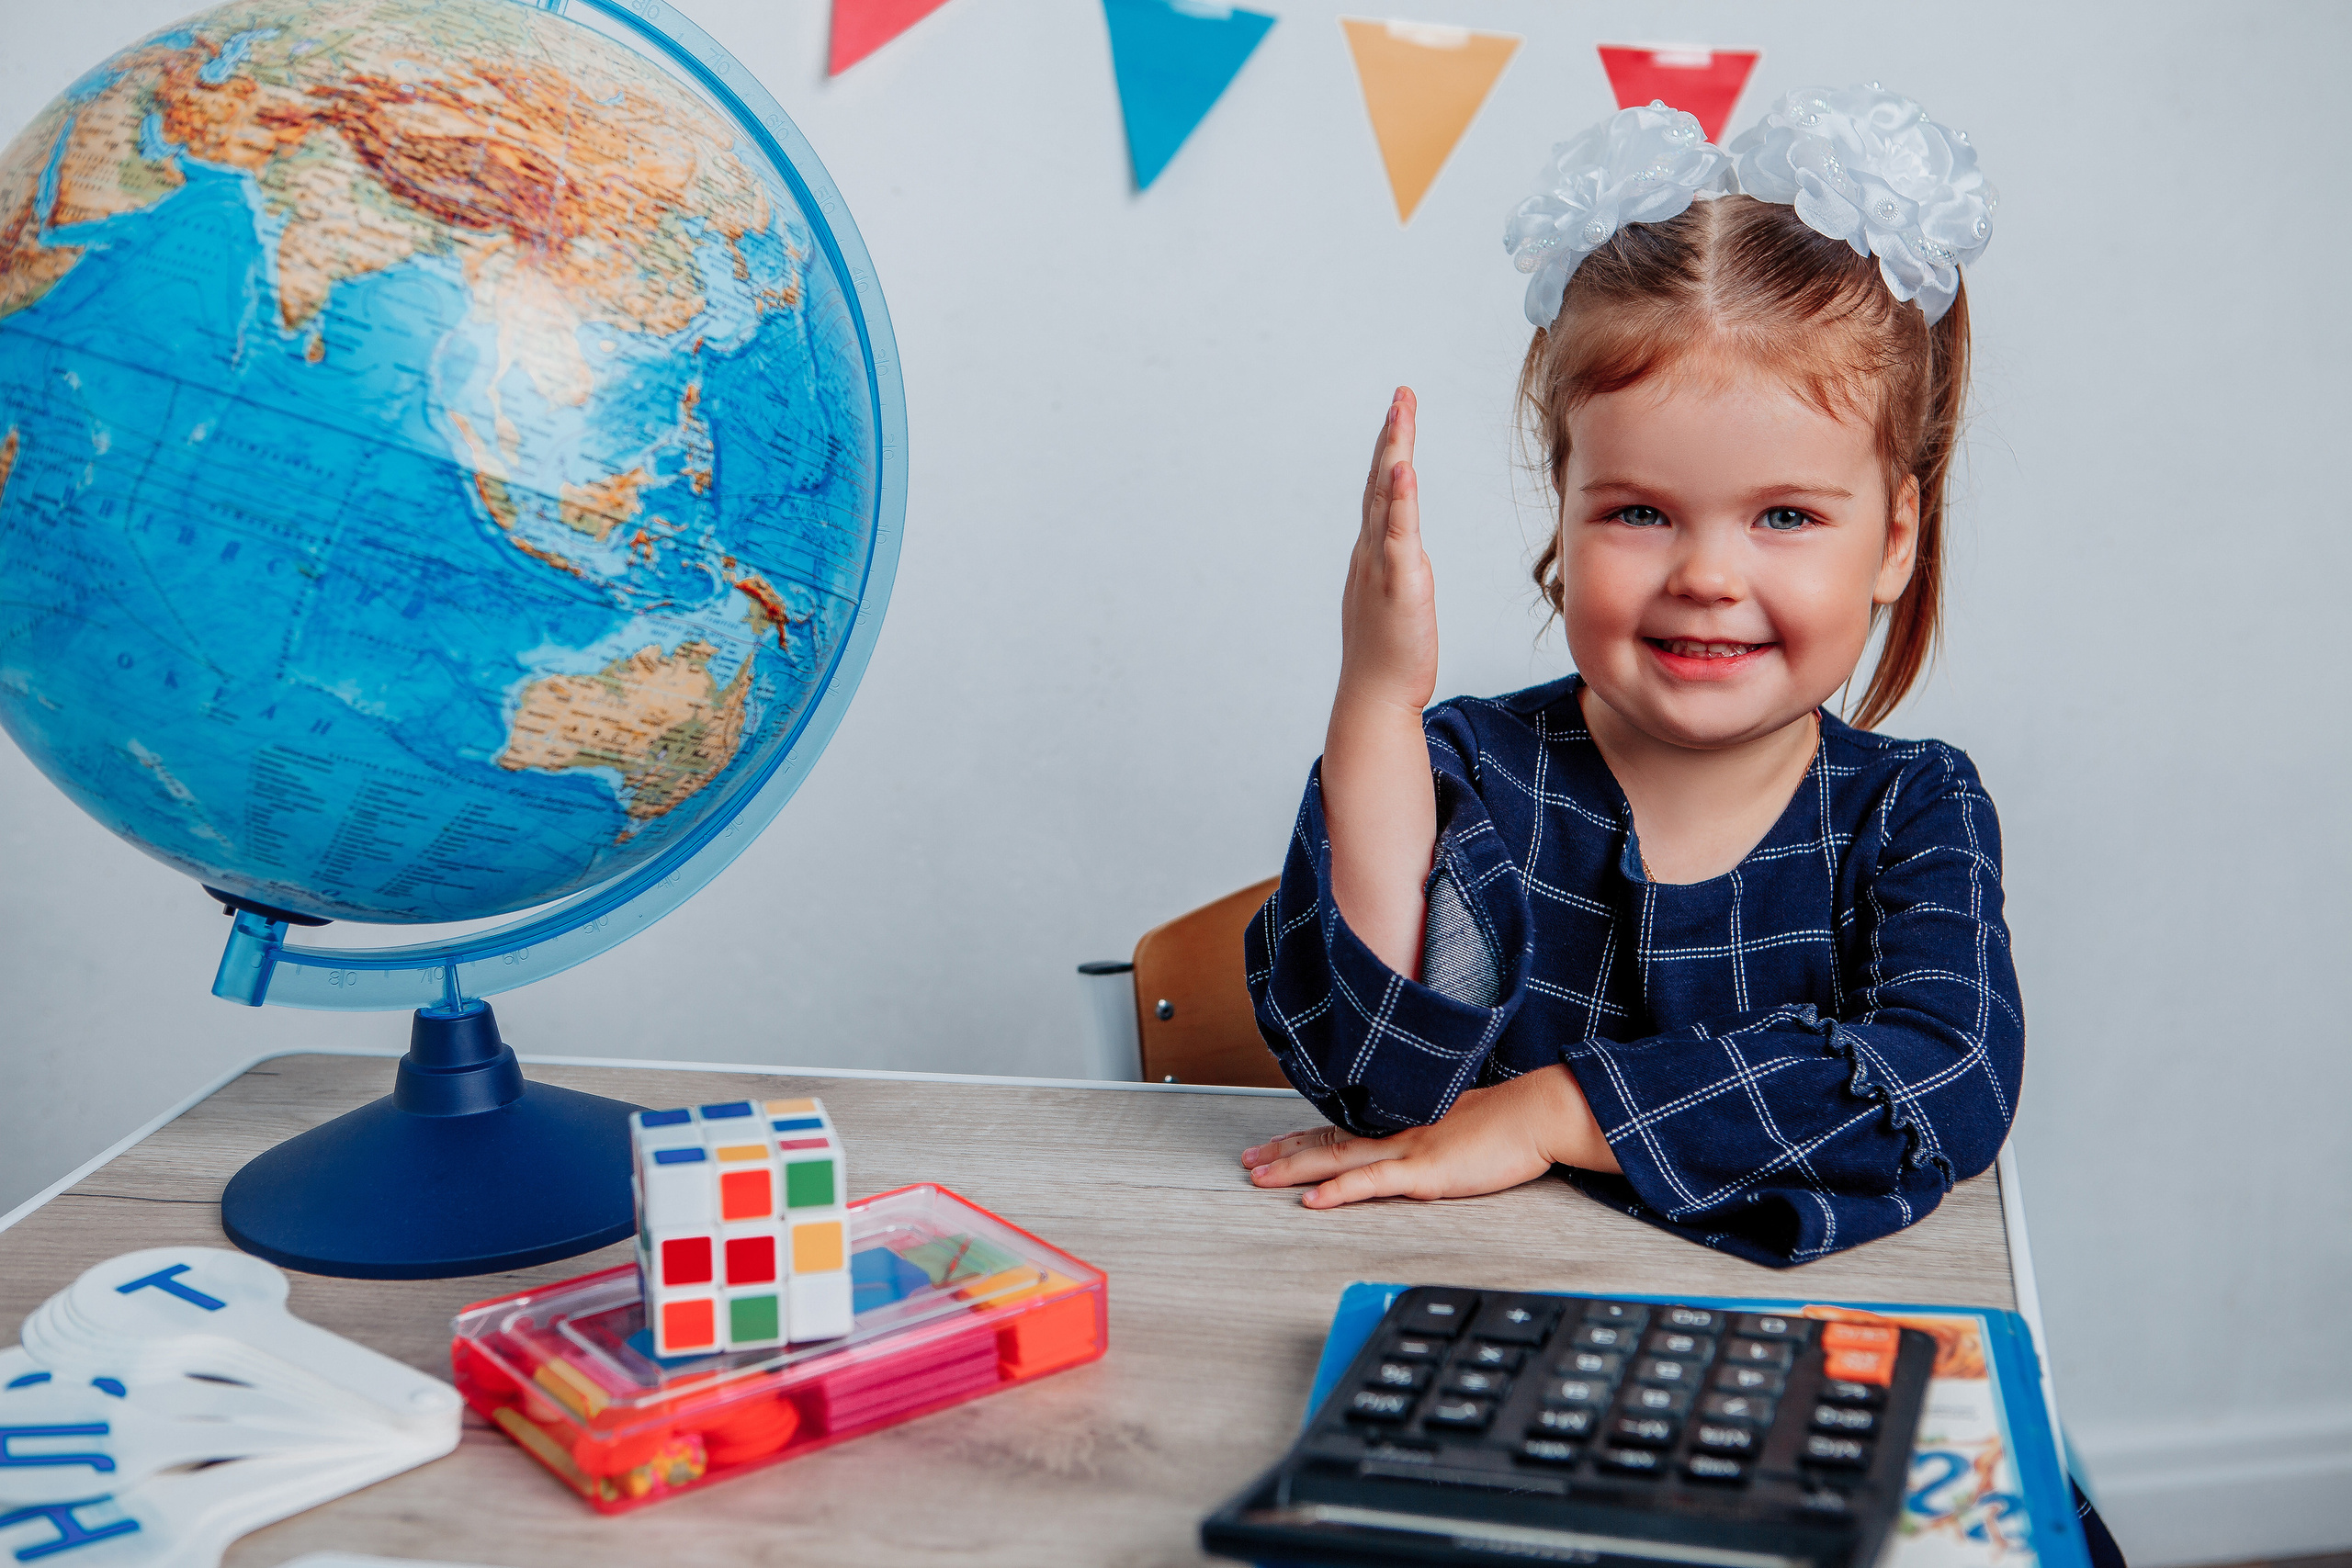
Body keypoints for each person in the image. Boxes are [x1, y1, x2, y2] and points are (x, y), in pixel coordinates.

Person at [1239, 88, 2021, 1270]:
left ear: (1895, 539)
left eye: (1787, 516)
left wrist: (1555, 1109)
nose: (1707, 574)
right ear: (1562, 510)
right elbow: (1382, 1084)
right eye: (1641, 511)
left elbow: (1948, 1082)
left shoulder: (1915, 813)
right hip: (1478, 1317)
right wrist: (1375, 702)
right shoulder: (1467, 772)